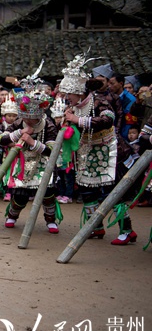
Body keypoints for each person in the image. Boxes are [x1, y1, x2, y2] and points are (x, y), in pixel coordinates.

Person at [60, 54, 137, 245]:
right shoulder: (74, 106)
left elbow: (108, 119)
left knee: (113, 191)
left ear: (78, 91)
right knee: (87, 190)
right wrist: (68, 122)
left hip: (109, 150)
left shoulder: (98, 101)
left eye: (68, 93)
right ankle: (95, 227)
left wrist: (78, 120)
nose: (66, 97)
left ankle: (127, 230)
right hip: (87, 151)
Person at [0, 77, 61, 234]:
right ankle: (12, 215)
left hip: (42, 163)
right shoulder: (19, 122)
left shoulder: (49, 125)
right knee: (20, 194)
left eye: (32, 118)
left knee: (47, 193)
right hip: (22, 163)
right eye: (26, 117)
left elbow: (52, 150)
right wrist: (19, 133)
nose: (28, 120)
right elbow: (1, 140)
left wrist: (32, 143)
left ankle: (51, 220)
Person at [0, 94, 19, 202]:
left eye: (14, 116)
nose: (12, 118)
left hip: (17, 153)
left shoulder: (18, 125)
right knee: (4, 171)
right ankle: (5, 192)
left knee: (15, 171)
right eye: (9, 115)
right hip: (4, 153)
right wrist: (6, 144)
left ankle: (13, 191)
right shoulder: (2, 126)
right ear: (5, 115)